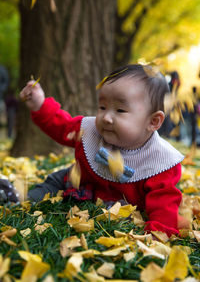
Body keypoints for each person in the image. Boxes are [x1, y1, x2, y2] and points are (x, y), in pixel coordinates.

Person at [20, 64, 186, 236]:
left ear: (153, 121)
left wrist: (157, 235)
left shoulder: (161, 162)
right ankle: (16, 199)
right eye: (102, 107)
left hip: (116, 201)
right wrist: (40, 105)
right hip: (76, 181)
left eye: (120, 110)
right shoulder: (90, 129)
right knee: (51, 185)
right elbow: (62, 127)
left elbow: (164, 205)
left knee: (117, 210)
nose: (106, 117)